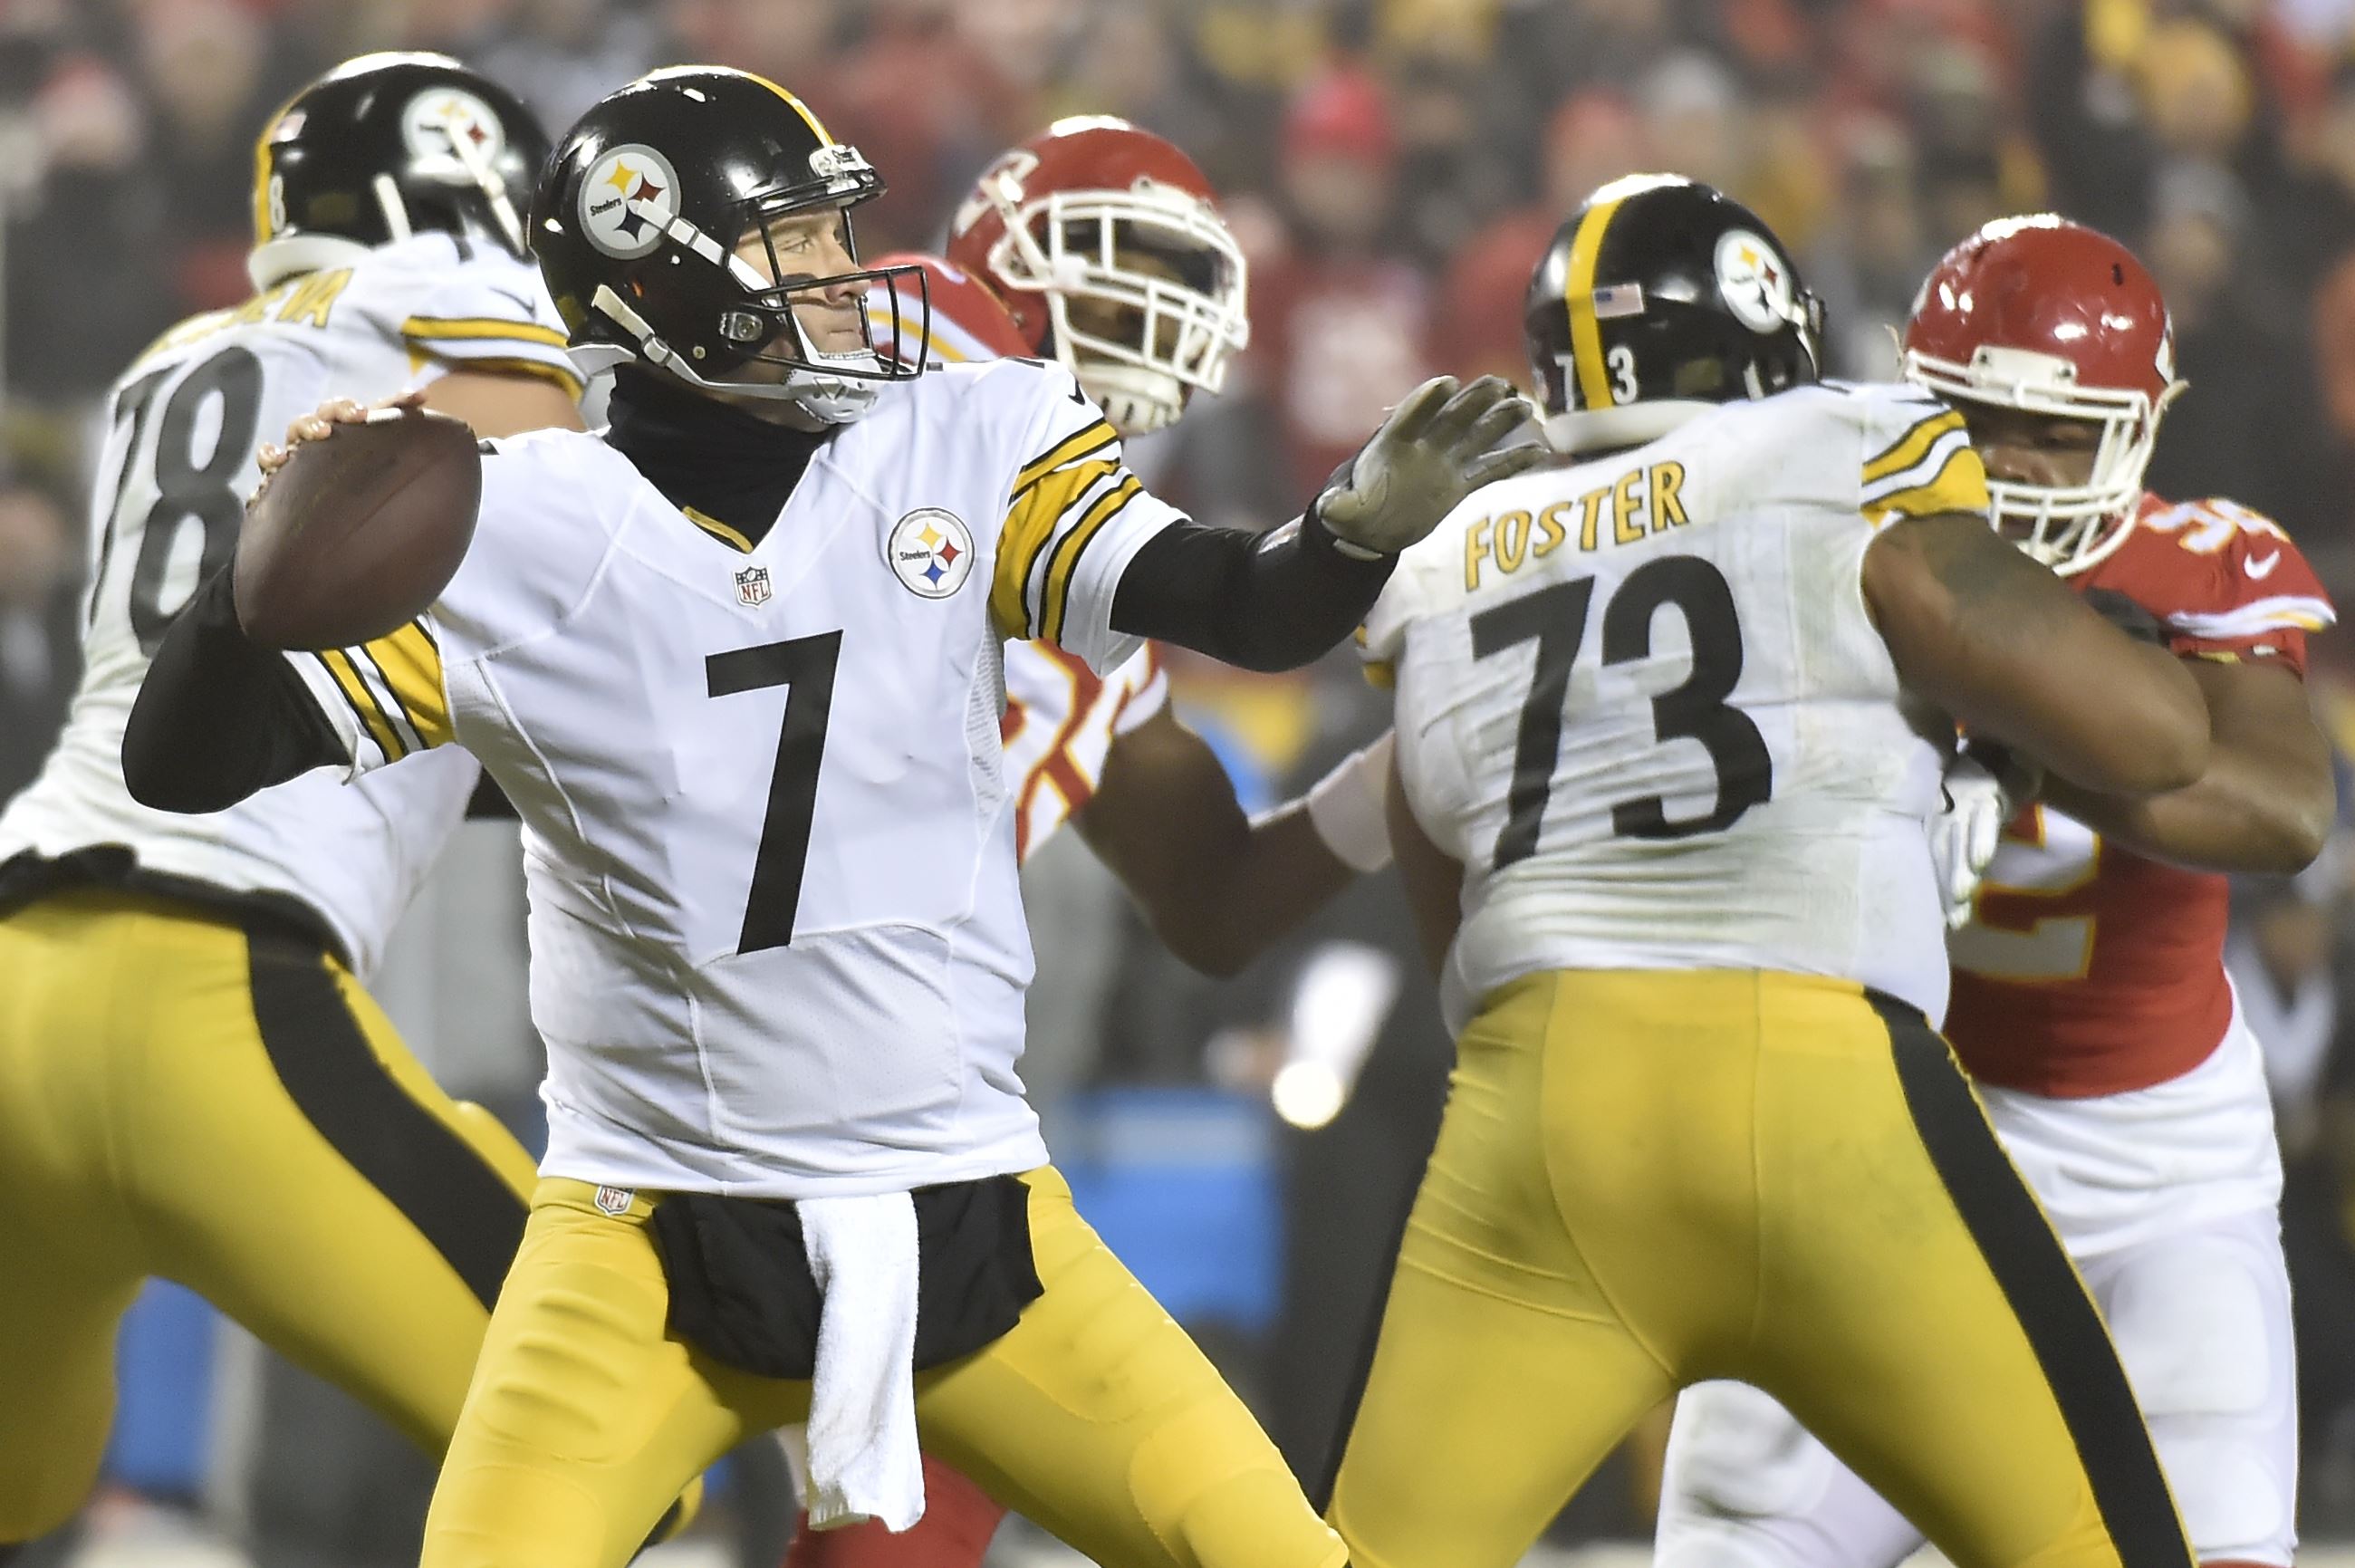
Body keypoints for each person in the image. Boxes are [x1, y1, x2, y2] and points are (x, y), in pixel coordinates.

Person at [120, 67, 1540, 1568]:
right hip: (640, 1240)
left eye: (834, 236)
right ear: (663, 275)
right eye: (795, 245)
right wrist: (246, 598)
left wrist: (1342, 533)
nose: (846, 276)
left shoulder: (973, 434)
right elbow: (184, 764)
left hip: (969, 1218)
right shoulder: (517, 523)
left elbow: (1240, 606)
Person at [1322, 174, 2206, 1568]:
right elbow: (2156, 742)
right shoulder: (1836, 444)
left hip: (1536, 1118)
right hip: (1818, 1094)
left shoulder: (1444, 560)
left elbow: (1449, 920)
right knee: (2101, 1547)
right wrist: (2042, 696)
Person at [0, 52, 690, 1556]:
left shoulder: (172, 361)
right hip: (208, 995)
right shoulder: (452, 295)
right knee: (629, 1427)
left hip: (21, 960)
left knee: (21, 1490)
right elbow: (539, 468)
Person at [1656, 216, 2334, 1568]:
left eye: (2060, 432)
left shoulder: (2205, 563)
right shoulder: (1824, 545)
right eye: (1982, 421)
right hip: (1880, 1147)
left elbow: (2279, 812)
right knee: (1736, 1550)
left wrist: (2009, 731)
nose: (2016, 462)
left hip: (2155, 1174)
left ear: (2140, 429)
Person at [779, 113, 1395, 1568]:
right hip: (750, 1036)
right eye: (1125, 276)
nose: (1150, 324)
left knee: (914, 1506)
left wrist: (1402, 776)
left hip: (903, 1095)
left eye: (1176, 291)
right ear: (1016, 251)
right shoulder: (921, 337)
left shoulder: (1104, 619)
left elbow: (1212, 904)